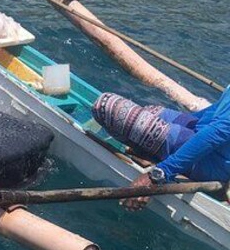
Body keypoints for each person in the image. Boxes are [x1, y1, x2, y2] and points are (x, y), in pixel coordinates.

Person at [91, 86, 230, 211]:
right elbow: (215, 112)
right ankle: (155, 153)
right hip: (204, 133)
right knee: (152, 111)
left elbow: (216, 133)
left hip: (213, 160)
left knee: (106, 107)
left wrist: (160, 174)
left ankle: (161, 157)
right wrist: (176, 125)